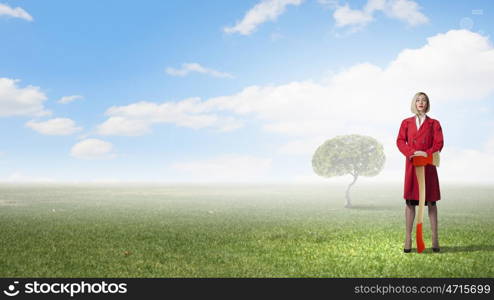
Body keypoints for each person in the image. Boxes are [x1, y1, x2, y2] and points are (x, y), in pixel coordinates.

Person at [396, 92, 444, 253]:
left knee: (431, 202)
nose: (421, 102)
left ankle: (435, 238)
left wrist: (427, 153)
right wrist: (411, 152)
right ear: (414, 103)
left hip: (428, 165)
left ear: (427, 103)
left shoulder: (434, 124)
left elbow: (439, 142)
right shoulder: (406, 123)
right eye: (418, 100)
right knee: (410, 201)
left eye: (424, 100)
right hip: (412, 164)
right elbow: (400, 141)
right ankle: (408, 238)